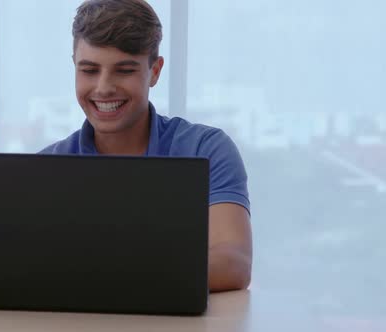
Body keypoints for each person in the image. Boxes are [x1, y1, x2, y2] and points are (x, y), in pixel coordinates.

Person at [40, 0, 252, 292]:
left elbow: (234, 262)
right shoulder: (46, 167)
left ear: (155, 71)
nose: (103, 87)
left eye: (124, 70)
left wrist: (105, 277)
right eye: (89, 70)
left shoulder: (205, 149)